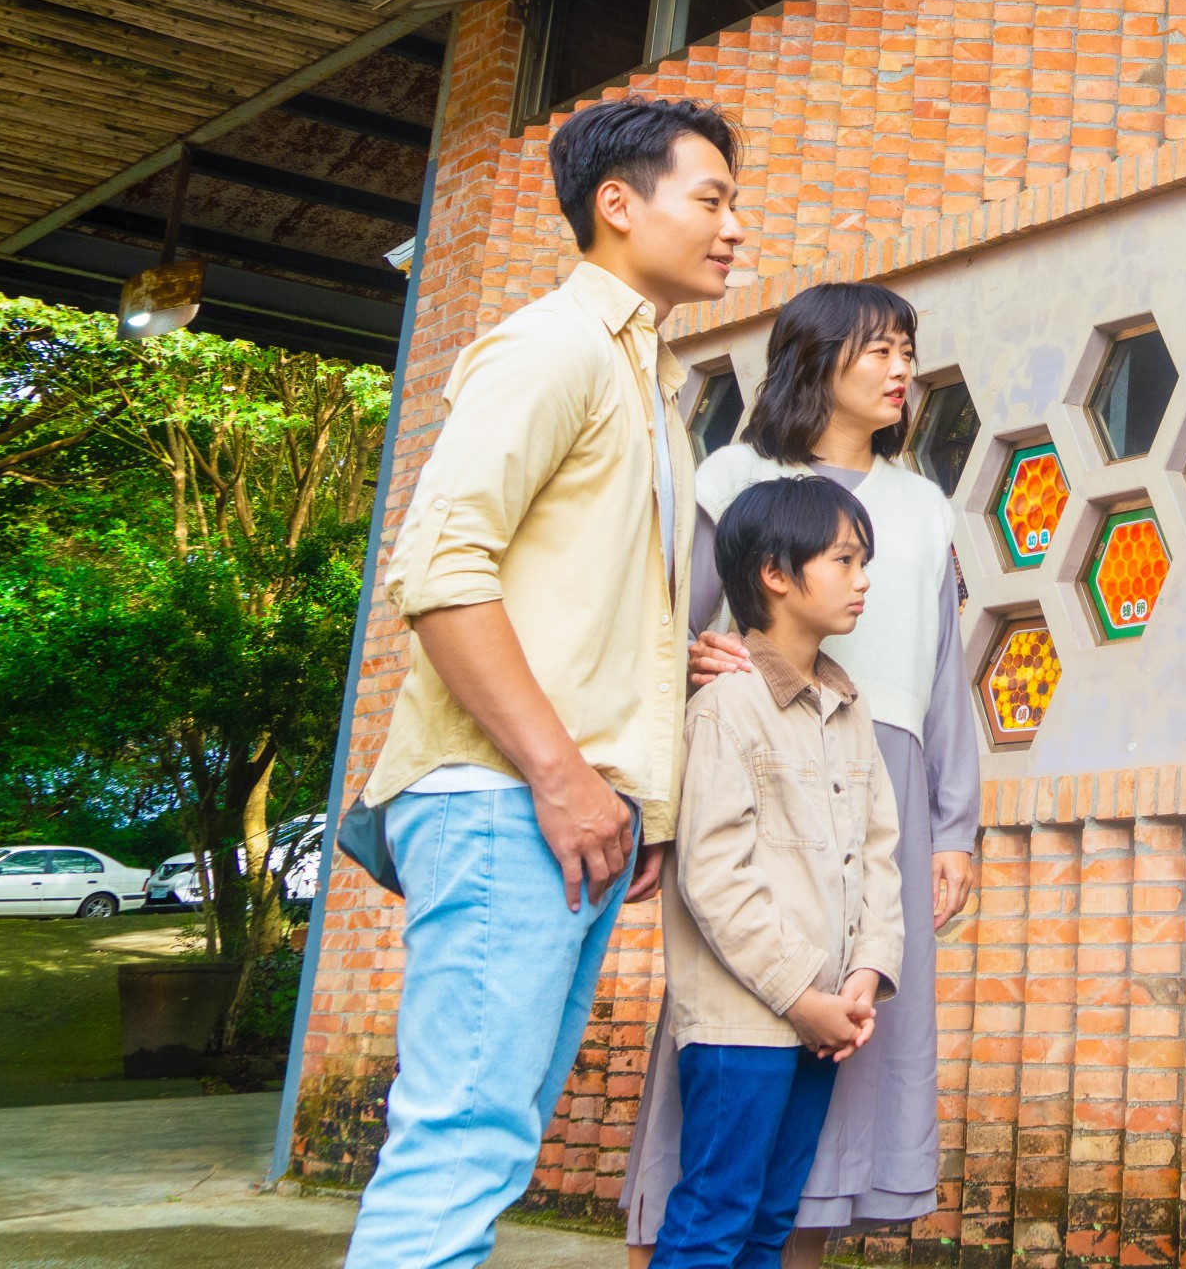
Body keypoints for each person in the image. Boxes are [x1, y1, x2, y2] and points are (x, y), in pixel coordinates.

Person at [347, 96, 742, 1269]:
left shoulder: (652, 391)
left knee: (490, 1142)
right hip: (498, 798)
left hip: (560, 810)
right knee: (460, 1143)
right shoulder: (552, 346)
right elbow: (439, 570)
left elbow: (587, 609)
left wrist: (644, 784)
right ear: (618, 205)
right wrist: (569, 777)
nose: (734, 227)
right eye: (711, 198)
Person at [624, 282, 980, 1266]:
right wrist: (693, 654)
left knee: (859, 1026)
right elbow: (665, 624)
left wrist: (954, 825)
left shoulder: (923, 502)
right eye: (878, 348)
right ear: (814, 358)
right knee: (745, 1027)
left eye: (909, 347)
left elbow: (947, 670)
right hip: (761, 775)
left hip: (885, 782)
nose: (901, 367)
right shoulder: (738, 472)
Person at [650, 474, 904, 1269]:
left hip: (824, 1017)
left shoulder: (848, 707)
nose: (863, 580)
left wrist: (865, 975)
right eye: (844, 559)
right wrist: (802, 996)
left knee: (769, 1223)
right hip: (743, 1022)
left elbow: (881, 854)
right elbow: (714, 873)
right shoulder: (727, 703)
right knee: (714, 1220)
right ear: (775, 573)